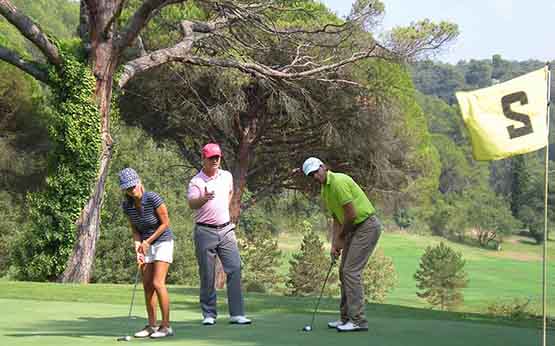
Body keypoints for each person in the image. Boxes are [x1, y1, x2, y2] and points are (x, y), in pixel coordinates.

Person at [302, 157, 382, 332]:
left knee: (351, 272)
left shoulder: (338, 181)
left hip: (366, 226)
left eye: (316, 172)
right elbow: (337, 218)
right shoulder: (325, 191)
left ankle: (358, 321)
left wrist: (342, 237)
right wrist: (335, 244)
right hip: (353, 228)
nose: (315, 177)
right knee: (343, 271)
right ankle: (345, 318)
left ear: (323, 167)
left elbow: (351, 215)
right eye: (311, 175)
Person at [187, 143, 251, 326]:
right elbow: (192, 203)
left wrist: (222, 209)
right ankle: (209, 314)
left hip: (225, 229)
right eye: (211, 158)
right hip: (204, 230)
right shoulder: (196, 181)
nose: (215, 161)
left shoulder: (227, 176)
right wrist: (203, 199)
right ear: (203, 159)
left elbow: (230, 193)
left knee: (235, 267)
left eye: (217, 157)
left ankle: (237, 314)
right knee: (207, 274)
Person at [119, 167, 174, 338]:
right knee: (147, 285)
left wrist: (148, 242)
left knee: (158, 283)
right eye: (128, 188)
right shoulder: (127, 205)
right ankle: (152, 326)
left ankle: (166, 327)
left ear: (139, 181)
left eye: (133, 185)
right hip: (144, 244)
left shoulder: (153, 198)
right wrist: (138, 248)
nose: (132, 190)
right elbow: (135, 229)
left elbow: (166, 223)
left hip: (163, 241)